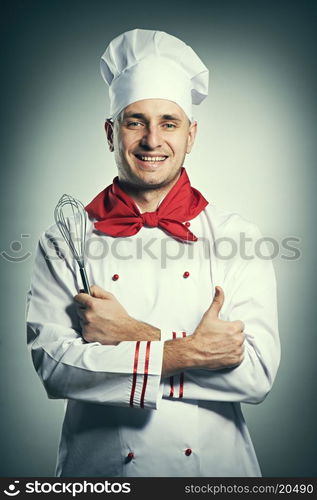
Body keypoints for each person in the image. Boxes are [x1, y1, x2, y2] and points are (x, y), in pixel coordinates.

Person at [26, 28, 280, 477]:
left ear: (191, 134)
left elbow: (256, 374)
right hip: (101, 473)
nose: (151, 140)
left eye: (169, 122)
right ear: (110, 132)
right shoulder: (64, 239)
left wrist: (129, 334)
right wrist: (191, 353)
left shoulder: (238, 236)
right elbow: (56, 367)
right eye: (135, 121)